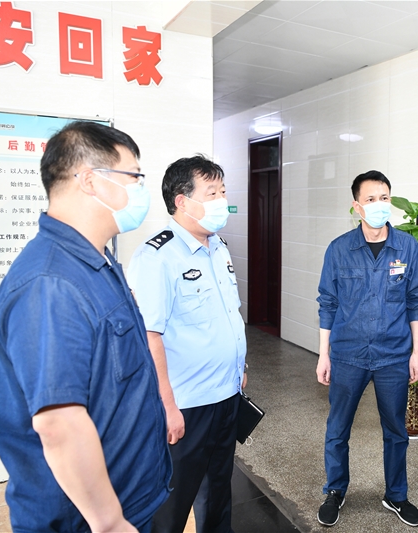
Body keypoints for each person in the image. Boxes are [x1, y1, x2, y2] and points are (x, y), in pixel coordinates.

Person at [0, 121, 171, 533]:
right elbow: (59, 423)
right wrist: (109, 522)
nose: (140, 190)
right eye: (134, 177)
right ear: (91, 180)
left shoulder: (95, 262)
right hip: (86, 521)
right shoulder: (51, 282)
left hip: (130, 498)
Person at [127, 155, 246, 533]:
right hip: (187, 404)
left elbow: (228, 314)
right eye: (212, 193)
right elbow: (149, 335)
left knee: (218, 492)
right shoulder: (157, 257)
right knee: (172, 504)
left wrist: (240, 367)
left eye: (223, 192)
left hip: (226, 395)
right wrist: (166, 406)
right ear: (182, 201)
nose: (222, 201)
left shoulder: (219, 247)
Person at [315, 170, 418, 528]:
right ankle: (335, 490)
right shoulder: (339, 249)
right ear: (356, 206)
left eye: (385, 198)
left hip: (393, 355)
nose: (379, 205)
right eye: (371, 199)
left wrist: (416, 353)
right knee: (338, 428)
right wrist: (323, 354)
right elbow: (327, 303)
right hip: (347, 355)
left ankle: (396, 494)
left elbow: (416, 302)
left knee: (396, 430)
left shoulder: (407, 248)